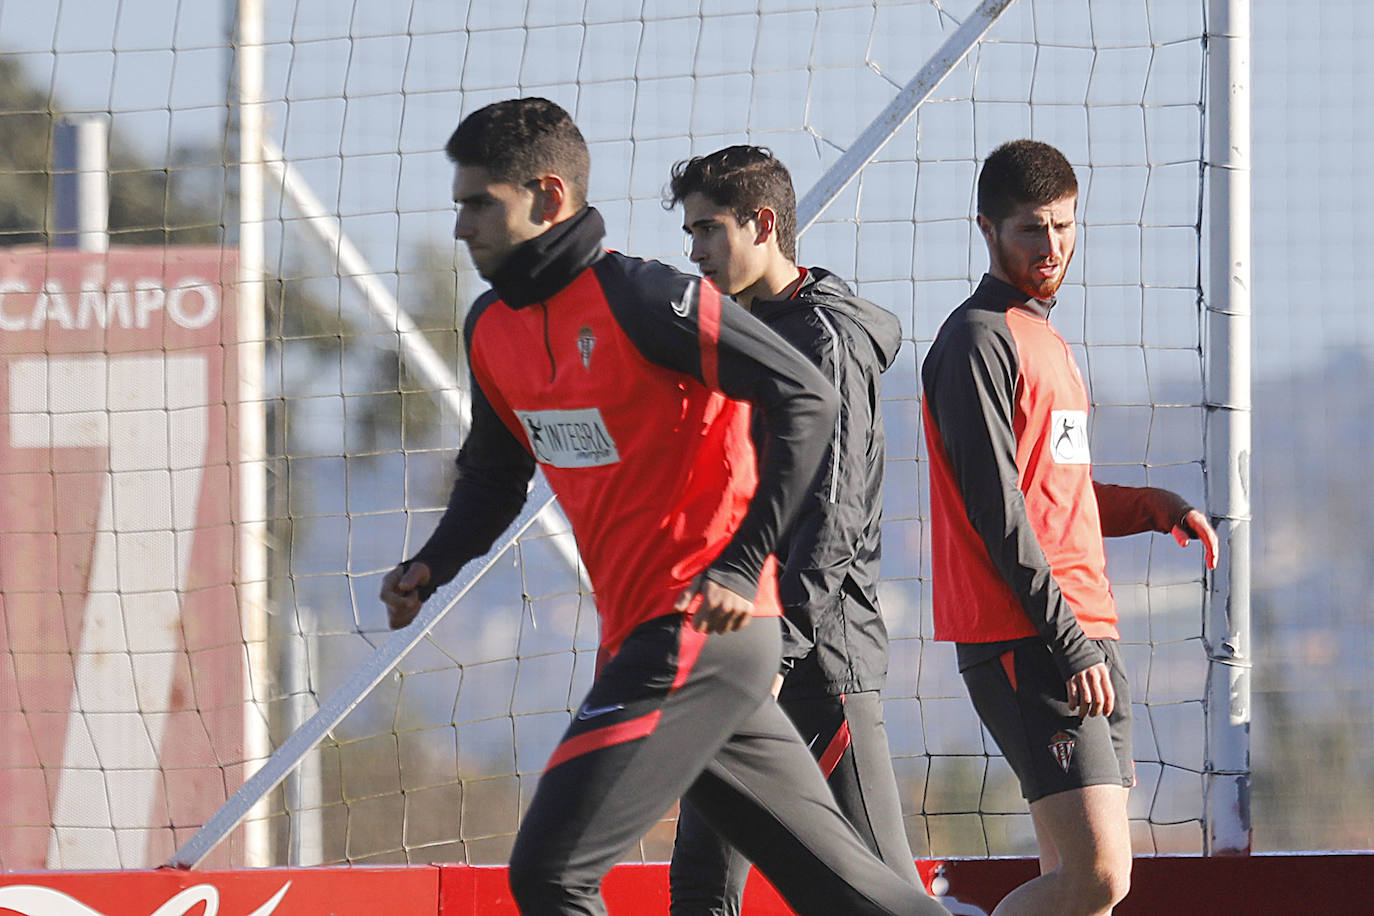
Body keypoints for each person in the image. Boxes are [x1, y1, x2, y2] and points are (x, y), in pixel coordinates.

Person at [379, 98, 947, 916]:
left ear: (547, 196)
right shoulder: (490, 328)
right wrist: (431, 564)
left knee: (551, 872)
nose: (462, 225)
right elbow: (493, 480)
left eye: (479, 203)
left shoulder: (647, 299)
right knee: (856, 897)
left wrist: (742, 561)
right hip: (655, 643)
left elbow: (808, 400)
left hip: (700, 631)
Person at [920, 139, 1219, 916]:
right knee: (1098, 876)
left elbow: (1062, 497)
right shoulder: (977, 340)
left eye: (1063, 226)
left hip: (1083, 629)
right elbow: (997, 512)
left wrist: (1151, 508)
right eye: (1030, 229)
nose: (1051, 247)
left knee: (1086, 892)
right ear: (985, 228)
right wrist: (1068, 640)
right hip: (1031, 638)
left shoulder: (1043, 337)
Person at [663, 145, 927, 915]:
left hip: (816, 664)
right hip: (739, 653)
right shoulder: (736, 328)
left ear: (764, 224)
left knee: (880, 895)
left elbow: (834, 511)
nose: (695, 250)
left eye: (709, 229)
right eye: (690, 233)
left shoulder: (826, 340)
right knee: (702, 888)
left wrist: (783, 647)